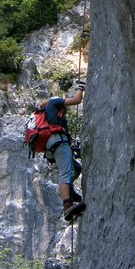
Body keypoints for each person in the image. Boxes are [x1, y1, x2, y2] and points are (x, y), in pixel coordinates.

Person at [41, 81, 86, 221]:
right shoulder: (54, 102)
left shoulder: (47, 114)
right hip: (58, 142)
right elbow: (76, 100)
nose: (64, 113)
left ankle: (70, 193)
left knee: (76, 168)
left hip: (50, 146)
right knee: (66, 173)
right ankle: (67, 205)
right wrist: (81, 88)